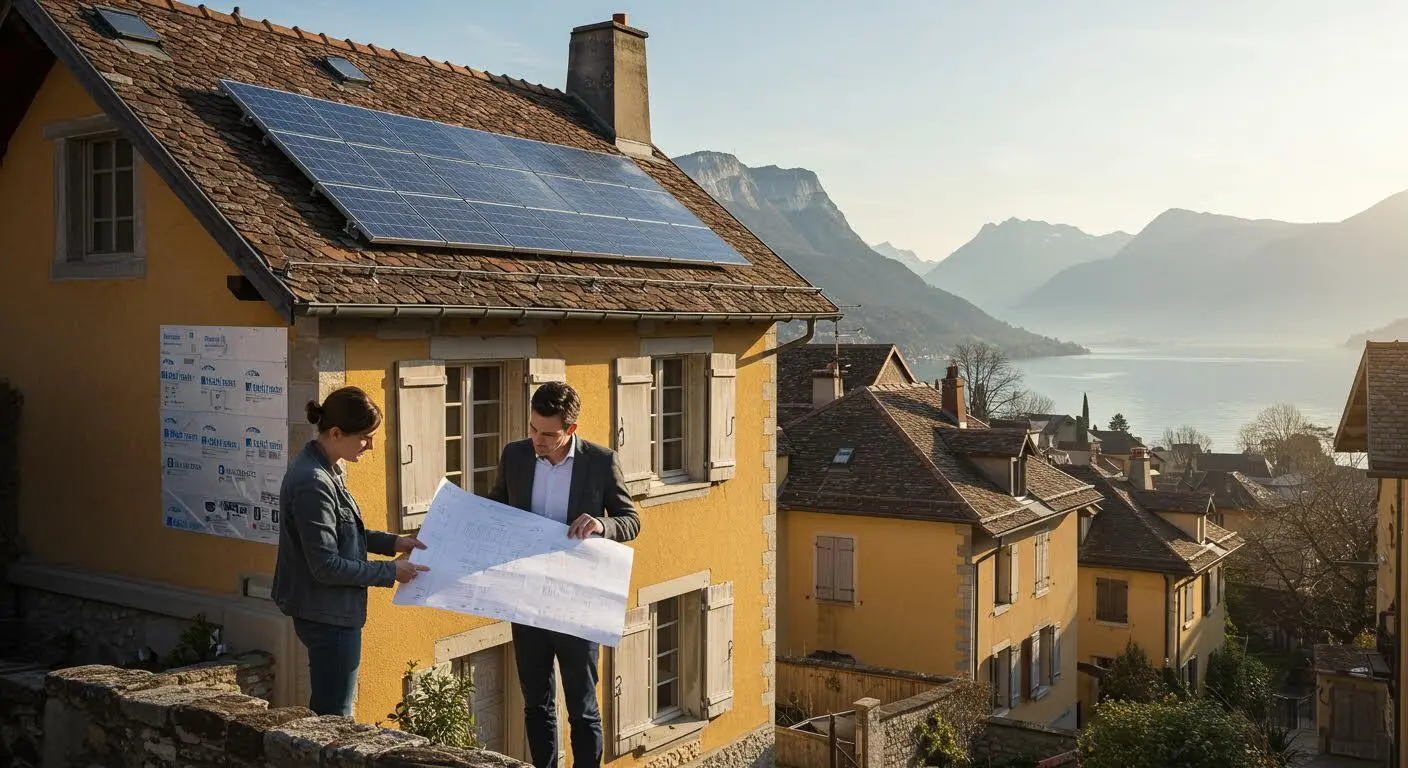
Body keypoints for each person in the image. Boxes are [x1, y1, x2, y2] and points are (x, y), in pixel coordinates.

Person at [487, 380, 641, 768]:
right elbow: (495, 508)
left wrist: (602, 526)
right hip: (527, 597)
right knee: (537, 704)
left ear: (571, 429)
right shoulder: (515, 455)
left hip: (578, 600)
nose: (538, 439)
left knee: (582, 708)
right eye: (533, 429)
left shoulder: (601, 461)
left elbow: (631, 521)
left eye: (548, 433)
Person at [271, 385, 429, 717]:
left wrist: (393, 543)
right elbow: (326, 565)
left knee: (334, 710)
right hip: (328, 615)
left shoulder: (325, 469)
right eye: (365, 437)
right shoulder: (313, 481)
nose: (371, 445)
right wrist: (392, 571)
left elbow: (347, 533)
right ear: (336, 432)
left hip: (331, 610)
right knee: (335, 717)